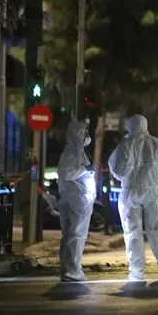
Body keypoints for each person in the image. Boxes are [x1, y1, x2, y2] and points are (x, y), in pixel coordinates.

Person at [108, 114, 158, 281]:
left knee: (132, 232)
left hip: (129, 192)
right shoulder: (156, 143)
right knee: (157, 230)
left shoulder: (124, 145)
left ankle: (136, 270)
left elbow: (116, 169)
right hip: (151, 191)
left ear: (130, 126)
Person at [57, 119, 96, 282]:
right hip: (78, 199)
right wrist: (85, 169)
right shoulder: (72, 152)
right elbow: (65, 173)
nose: (87, 135)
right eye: (84, 132)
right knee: (76, 235)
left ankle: (69, 268)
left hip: (77, 198)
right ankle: (72, 270)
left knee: (70, 235)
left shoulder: (77, 151)